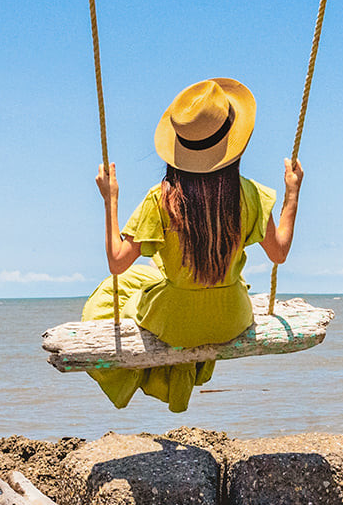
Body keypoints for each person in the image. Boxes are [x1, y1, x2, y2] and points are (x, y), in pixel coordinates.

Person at [80, 77, 302, 412]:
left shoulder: (161, 200)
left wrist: (110, 199)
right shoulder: (251, 195)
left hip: (173, 322)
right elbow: (279, 252)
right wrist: (292, 194)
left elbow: (116, 262)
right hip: (231, 318)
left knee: (118, 290)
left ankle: (156, 378)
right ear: (233, 142)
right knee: (144, 279)